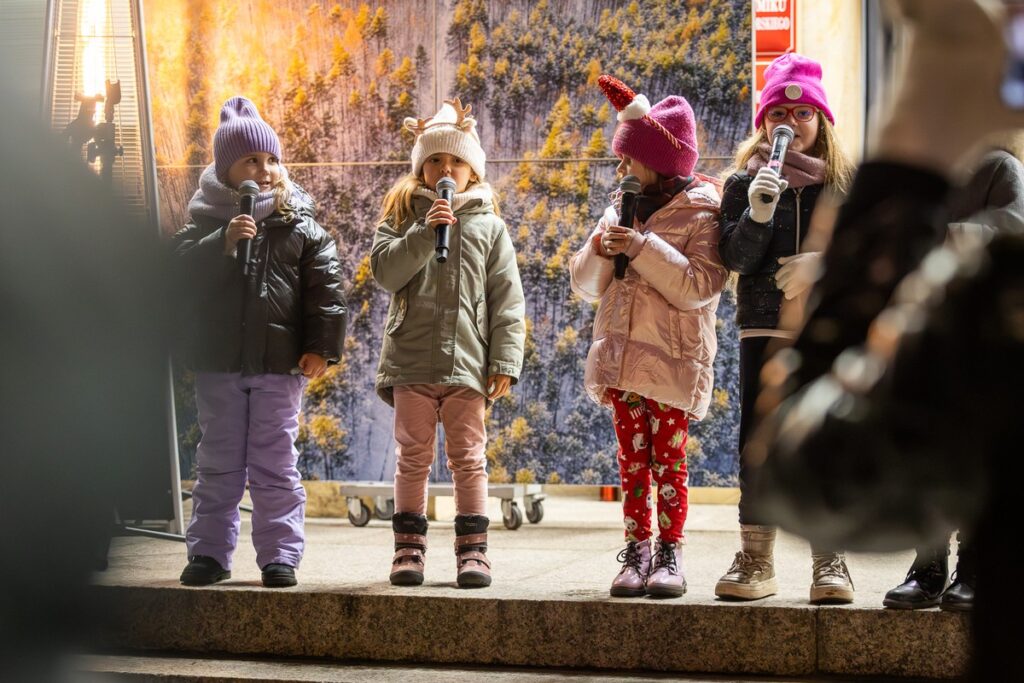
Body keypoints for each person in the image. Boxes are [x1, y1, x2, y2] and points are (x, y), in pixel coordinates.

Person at [741, 0, 1024, 678]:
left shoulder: (1001, 267)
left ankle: (964, 569)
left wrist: (908, 153)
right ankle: (932, 570)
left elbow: (811, 476)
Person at [172, 96, 347, 588]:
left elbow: (328, 293)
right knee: (218, 462)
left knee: (275, 462)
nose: (265, 170)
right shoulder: (202, 225)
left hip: (279, 365)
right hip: (220, 363)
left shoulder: (302, 226)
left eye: (271, 159)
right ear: (226, 168)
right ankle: (208, 553)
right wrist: (222, 243)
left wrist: (321, 346)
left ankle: (280, 555)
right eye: (251, 160)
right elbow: (176, 279)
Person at [570, 75, 727, 599]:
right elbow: (587, 286)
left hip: (672, 362)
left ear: (660, 161)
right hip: (623, 360)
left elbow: (699, 286)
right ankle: (636, 548)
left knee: (670, 462)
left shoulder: (705, 212)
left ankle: (670, 551)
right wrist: (600, 246)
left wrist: (640, 247)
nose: (621, 170)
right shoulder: (621, 207)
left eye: (628, 160)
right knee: (632, 463)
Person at [713, 53, 857, 604]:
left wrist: (825, 268)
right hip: (764, 331)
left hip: (826, 332)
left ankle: (830, 558)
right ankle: (756, 558)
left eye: (803, 113)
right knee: (759, 442)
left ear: (821, 122)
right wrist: (757, 214)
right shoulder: (742, 183)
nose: (791, 124)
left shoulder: (844, 185)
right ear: (764, 122)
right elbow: (734, 258)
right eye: (780, 112)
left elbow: (869, 261)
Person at [371, 97, 526, 589]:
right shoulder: (402, 215)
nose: (445, 167)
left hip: (468, 365)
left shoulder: (489, 225)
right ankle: (408, 551)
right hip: (411, 361)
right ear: (421, 167)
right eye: (435, 159)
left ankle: (473, 553)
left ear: (473, 171)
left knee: (468, 459)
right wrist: (424, 231)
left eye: (456, 160)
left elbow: (507, 299)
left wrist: (503, 359)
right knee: (412, 456)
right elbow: (385, 271)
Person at [883, 141, 1024, 612]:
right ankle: (927, 567)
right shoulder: (920, 167)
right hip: (921, 330)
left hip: (977, 337)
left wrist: (932, 236)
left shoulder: (1001, 167)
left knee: (973, 456)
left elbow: (1013, 230)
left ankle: (975, 568)